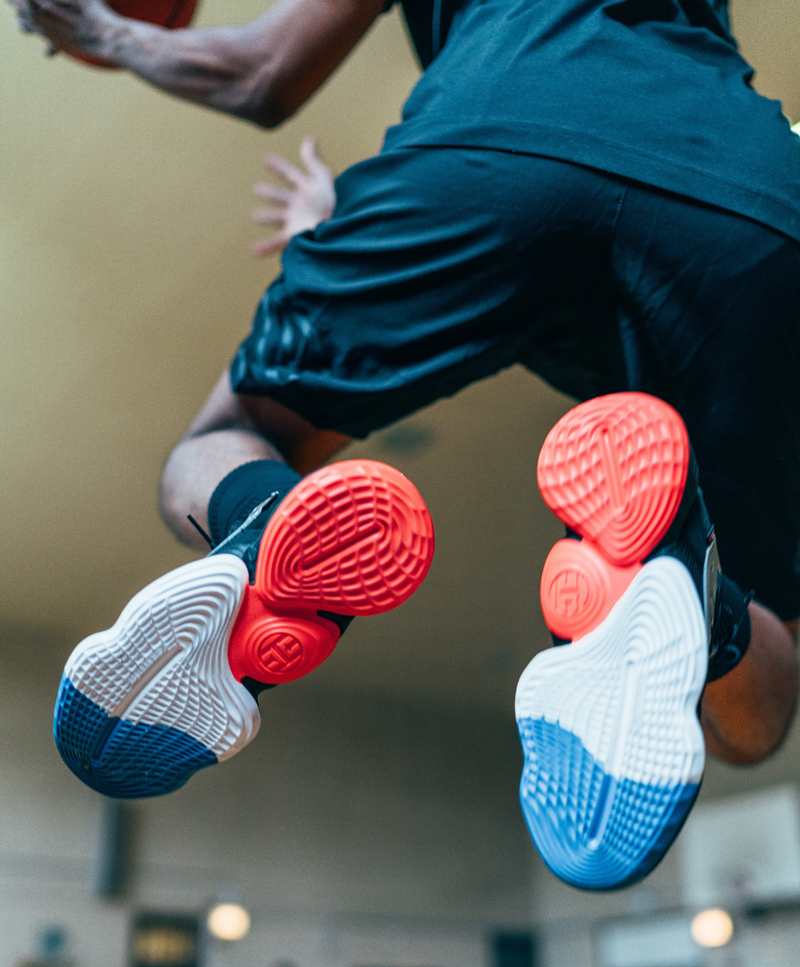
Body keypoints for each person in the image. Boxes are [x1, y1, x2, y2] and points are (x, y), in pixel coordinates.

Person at [10, 0, 800, 889]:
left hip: (490, 146)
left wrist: (102, 30)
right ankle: (696, 592)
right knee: (756, 711)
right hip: (747, 195)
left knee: (234, 436)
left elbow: (264, 75)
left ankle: (262, 524)